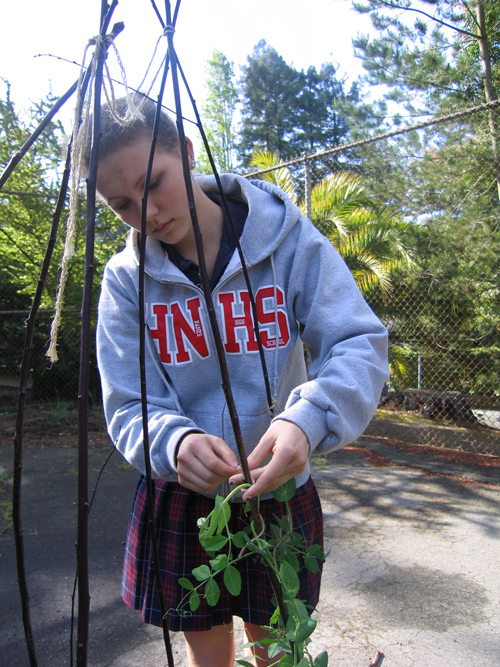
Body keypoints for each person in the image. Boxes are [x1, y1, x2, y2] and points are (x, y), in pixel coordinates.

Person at [94, 96, 389, 667]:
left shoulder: (286, 240)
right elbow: (130, 403)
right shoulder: (126, 282)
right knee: (210, 659)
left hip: (277, 491)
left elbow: (358, 341)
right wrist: (173, 442)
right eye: (121, 205)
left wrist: (308, 420)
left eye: (154, 183)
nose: (147, 213)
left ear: (185, 151)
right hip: (182, 500)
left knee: (278, 654)